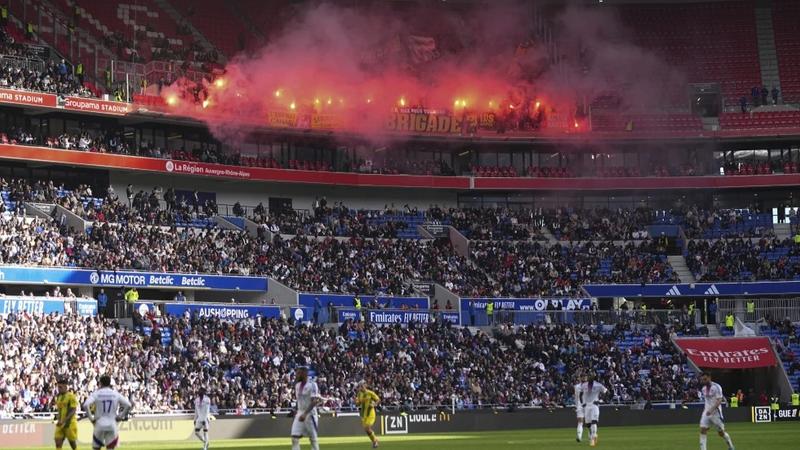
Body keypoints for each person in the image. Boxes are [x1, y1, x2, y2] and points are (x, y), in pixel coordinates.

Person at [83, 375, 132, 450]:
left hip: (99, 423)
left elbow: (86, 405)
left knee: (96, 447)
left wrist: (91, 419)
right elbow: (128, 405)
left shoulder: (97, 393)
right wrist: (120, 416)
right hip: (112, 424)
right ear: (109, 383)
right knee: (110, 448)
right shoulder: (115, 394)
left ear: (100, 383)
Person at [698, 372, 735, 450]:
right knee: (703, 430)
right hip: (706, 412)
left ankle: (731, 446)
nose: (703, 381)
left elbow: (719, 400)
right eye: (702, 380)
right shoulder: (703, 389)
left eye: (705, 379)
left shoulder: (716, 387)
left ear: (709, 378)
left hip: (716, 413)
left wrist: (712, 409)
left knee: (721, 433)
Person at [291, 366, 322, 450]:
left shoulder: (312, 385)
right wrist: (296, 411)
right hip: (300, 413)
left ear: (304, 374)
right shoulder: (297, 385)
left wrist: (305, 414)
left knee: (313, 439)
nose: (296, 375)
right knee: (294, 437)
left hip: (310, 414)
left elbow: (314, 401)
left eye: (298, 373)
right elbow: (299, 400)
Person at [581, 372, 608, 447]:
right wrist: (583, 403)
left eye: (591, 376)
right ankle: (591, 434)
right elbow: (580, 394)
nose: (589, 377)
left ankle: (593, 438)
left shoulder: (598, 385)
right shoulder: (584, 385)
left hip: (595, 405)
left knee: (594, 421)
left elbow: (606, 391)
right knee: (588, 423)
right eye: (588, 376)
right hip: (587, 406)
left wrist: (601, 399)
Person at [54, 378, 79, 450]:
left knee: (72, 443)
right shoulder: (59, 397)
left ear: (65, 387)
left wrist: (64, 420)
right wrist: (58, 419)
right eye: (58, 387)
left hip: (70, 423)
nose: (59, 389)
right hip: (61, 423)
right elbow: (60, 410)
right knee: (58, 441)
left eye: (60, 387)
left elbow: (73, 410)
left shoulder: (71, 396)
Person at [356, 381, 380, 448]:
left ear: (365, 385)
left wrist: (374, 404)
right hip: (363, 414)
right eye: (360, 386)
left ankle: (375, 442)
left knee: (367, 427)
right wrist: (358, 402)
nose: (361, 387)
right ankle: (375, 440)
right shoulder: (359, 394)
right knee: (367, 430)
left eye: (362, 385)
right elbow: (357, 404)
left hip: (370, 413)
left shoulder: (370, 393)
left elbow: (378, 399)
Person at [574, 373, 587, 443]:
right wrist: (576, 406)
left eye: (585, 377)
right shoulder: (577, 387)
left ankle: (591, 436)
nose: (584, 378)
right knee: (580, 421)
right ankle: (579, 437)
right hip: (580, 405)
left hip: (587, 405)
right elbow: (576, 397)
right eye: (583, 377)